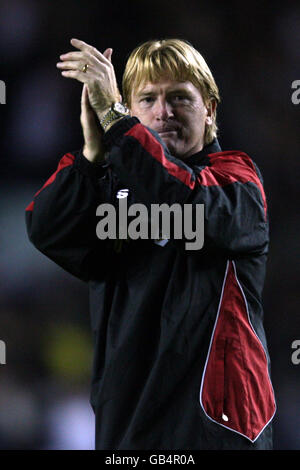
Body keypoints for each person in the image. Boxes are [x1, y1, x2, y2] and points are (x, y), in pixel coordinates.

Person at [26, 38, 276, 450]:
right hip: (128, 427)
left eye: (180, 97)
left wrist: (118, 125)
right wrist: (92, 155)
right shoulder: (113, 188)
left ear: (210, 110)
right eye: (148, 99)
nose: (164, 112)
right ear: (133, 111)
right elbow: (47, 228)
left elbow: (184, 198)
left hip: (216, 426)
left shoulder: (236, 179)